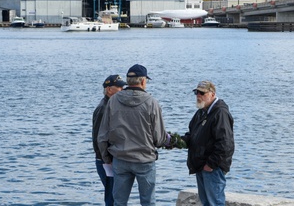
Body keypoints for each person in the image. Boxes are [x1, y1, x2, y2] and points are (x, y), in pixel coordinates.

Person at [98, 64, 170, 206]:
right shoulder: (151, 102)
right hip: (144, 160)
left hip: (120, 159)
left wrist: (107, 159)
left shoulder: (113, 100)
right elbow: (159, 138)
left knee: (119, 202)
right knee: (148, 202)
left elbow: (102, 135)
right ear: (143, 81)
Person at [182, 80, 235, 206]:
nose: (198, 95)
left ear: (212, 94)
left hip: (212, 168)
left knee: (214, 202)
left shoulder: (220, 113)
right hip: (201, 165)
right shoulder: (202, 111)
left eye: (202, 93)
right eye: (196, 92)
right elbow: (192, 135)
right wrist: (176, 141)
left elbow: (225, 144)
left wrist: (211, 164)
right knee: (206, 202)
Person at [92, 74, 127, 206]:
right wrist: (107, 160)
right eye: (119, 87)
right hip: (106, 161)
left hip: (110, 158)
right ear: (109, 89)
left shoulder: (112, 105)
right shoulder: (103, 109)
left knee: (115, 195)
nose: (122, 89)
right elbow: (97, 139)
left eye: (123, 86)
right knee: (112, 197)